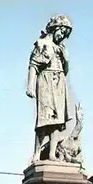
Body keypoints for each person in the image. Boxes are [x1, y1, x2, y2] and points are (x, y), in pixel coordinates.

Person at [27, 15, 73, 162]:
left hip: (59, 83)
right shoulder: (42, 44)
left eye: (65, 35)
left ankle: (52, 153)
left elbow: (66, 70)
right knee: (44, 120)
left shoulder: (61, 49)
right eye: (62, 32)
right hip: (46, 82)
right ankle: (36, 154)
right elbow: (34, 65)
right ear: (55, 29)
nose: (63, 36)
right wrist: (30, 86)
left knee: (57, 122)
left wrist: (66, 58)